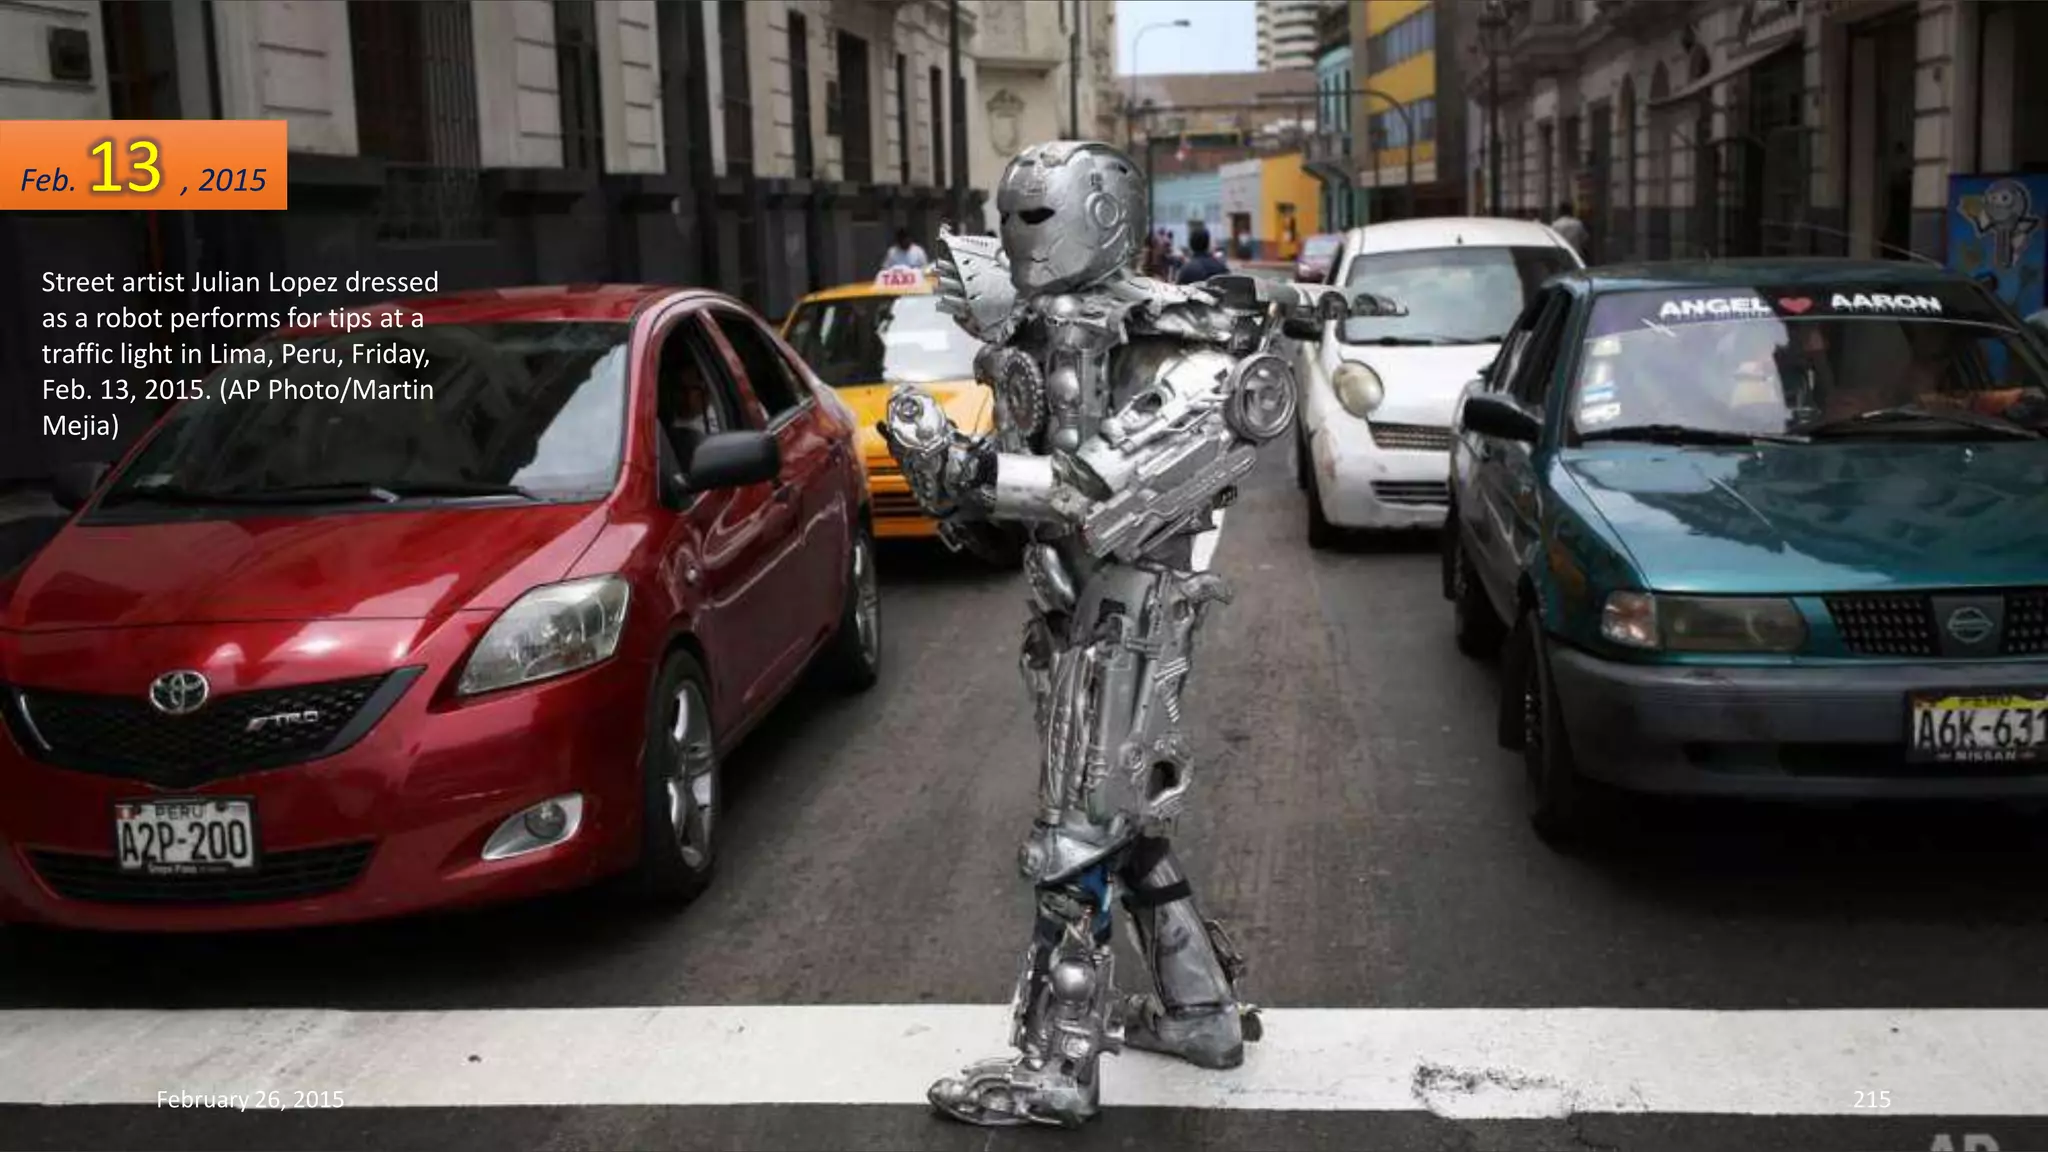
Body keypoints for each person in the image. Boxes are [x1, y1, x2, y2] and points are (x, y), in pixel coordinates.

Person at [881, 138, 1392, 1128]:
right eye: (1011, 220)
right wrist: (960, 470)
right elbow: (1031, 483)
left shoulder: (1198, 359)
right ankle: (1199, 1011)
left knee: (1072, 841)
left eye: (1036, 217)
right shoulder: (1051, 339)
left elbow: (1092, 494)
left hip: (1126, 617)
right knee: (1128, 835)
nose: (1019, 240)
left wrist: (968, 471)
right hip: (1069, 612)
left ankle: (1057, 1071)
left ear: (1103, 217)